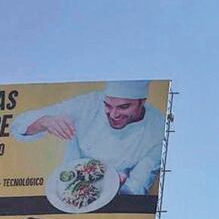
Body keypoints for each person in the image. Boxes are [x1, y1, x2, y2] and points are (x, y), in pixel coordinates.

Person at [11, 80, 165, 195]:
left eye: (124, 107)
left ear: (142, 102)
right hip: (67, 189)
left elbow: (137, 185)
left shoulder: (158, 129)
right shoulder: (89, 104)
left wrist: (116, 186)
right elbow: (18, 125)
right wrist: (44, 121)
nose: (113, 115)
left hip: (114, 198)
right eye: (108, 105)